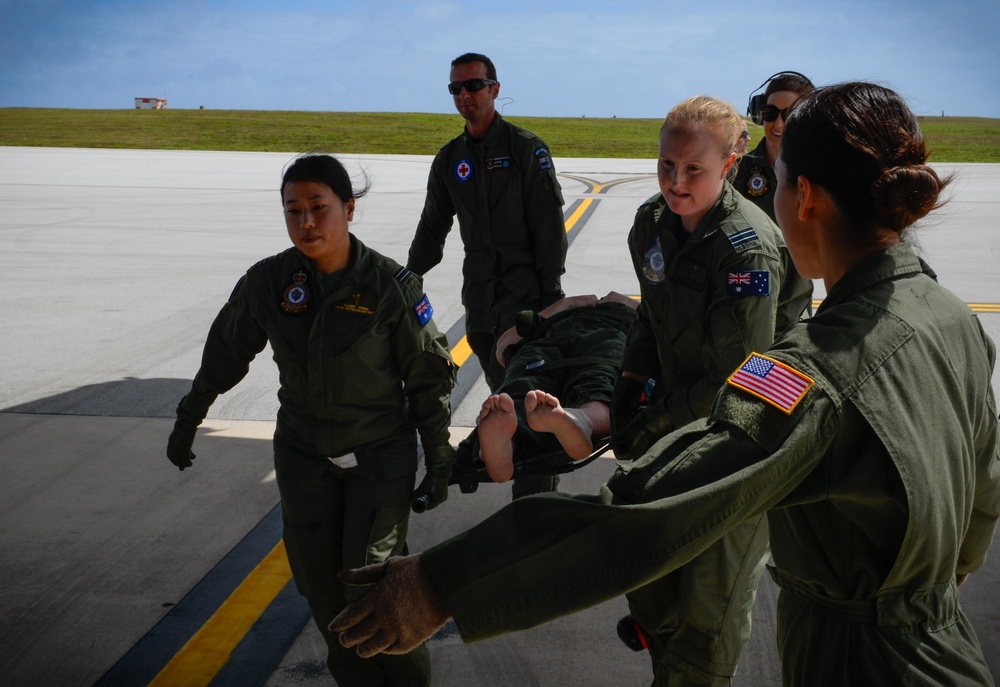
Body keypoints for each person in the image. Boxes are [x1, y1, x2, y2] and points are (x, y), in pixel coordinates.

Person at [331, 82, 1000, 687]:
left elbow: (643, 514)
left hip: (860, 663)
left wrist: (441, 582)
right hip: (940, 643)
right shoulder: (947, 315)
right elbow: (984, 490)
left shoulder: (811, 376)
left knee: (696, 651)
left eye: (782, 177)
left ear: (810, 198)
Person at [165, 154, 457, 686]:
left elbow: (427, 378)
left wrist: (440, 459)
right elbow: (226, 350)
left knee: (372, 587)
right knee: (322, 589)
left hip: (378, 452)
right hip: (303, 453)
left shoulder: (389, 285)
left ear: (348, 208)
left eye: (319, 207)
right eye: (293, 210)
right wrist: (190, 415)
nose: (306, 222)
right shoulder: (270, 281)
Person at [608, 96, 813, 684]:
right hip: (676, 429)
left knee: (704, 628)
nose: (675, 181)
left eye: (693, 169)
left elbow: (738, 382)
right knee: (652, 590)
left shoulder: (746, 249)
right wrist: (629, 381)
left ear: (728, 165)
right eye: (665, 165)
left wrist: (649, 423)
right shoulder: (651, 223)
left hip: (741, 444)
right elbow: (652, 311)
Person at [405, 51, 569, 499]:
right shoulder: (450, 160)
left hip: (529, 302)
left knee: (531, 406)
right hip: (480, 306)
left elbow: (549, 228)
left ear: (494, 89)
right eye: (455, 88)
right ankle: (526, 490)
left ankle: (535, 510)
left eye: (473, 86)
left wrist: (550, 297)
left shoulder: (525, 149)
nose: (464, 95)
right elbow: (432, 227)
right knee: (506, 407)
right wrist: (407, 276)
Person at [475, 291, 638, 483]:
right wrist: (562, 305)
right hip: (549, 342)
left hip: (603, 335)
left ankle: (579, 421)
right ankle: (503, 444)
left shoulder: (631, 313)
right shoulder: (550, 317)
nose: (597, 300)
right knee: (523, 389)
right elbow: (503, 348)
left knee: (595, 378)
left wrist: (624, 304)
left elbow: (502, 351)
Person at [734, 71, 815, 220]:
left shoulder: (821, 172)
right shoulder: (736, 172)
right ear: (759, 114)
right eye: (770, 112)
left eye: (789, 114)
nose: (778, 125)